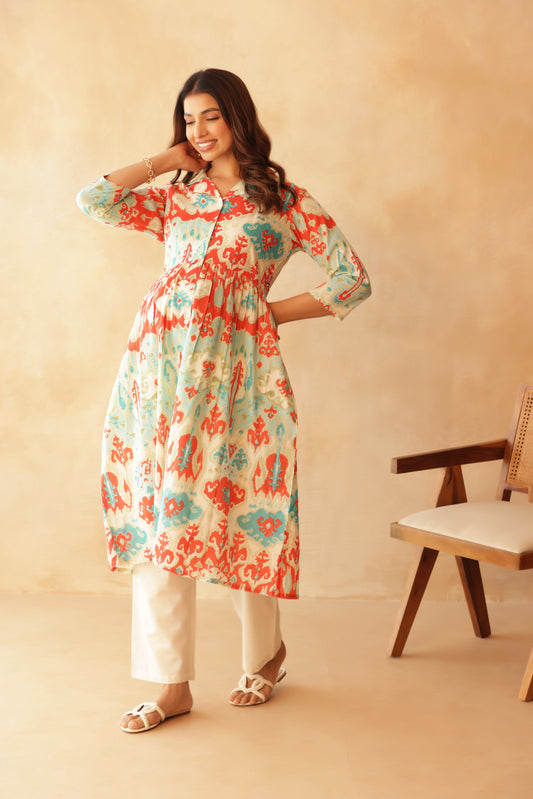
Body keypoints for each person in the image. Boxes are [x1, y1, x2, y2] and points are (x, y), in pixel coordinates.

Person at [76, 68, 371, 733]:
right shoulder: (178, 197)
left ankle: (264, 656)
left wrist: (265, 313)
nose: (200, 130)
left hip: (239, 379)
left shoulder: (284, 202)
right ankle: (170, 683)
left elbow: (351, 279)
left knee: (242, 510)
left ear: (237, 116)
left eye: (210, 116)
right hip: (158, 374)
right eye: (189, 119)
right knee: (162, 518)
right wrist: (165, 160)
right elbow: (95, 200)